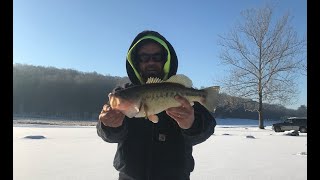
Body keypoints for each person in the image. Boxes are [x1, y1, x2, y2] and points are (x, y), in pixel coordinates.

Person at [97, 30, 216, 180]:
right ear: (136, 61)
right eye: (144, 57)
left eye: (157, 56)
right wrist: (109, 125)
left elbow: (208, 127)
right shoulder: (123, 93)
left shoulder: (181, 93)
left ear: (165, 60)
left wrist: (191, 124)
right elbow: (107, 135)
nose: (151, 62)